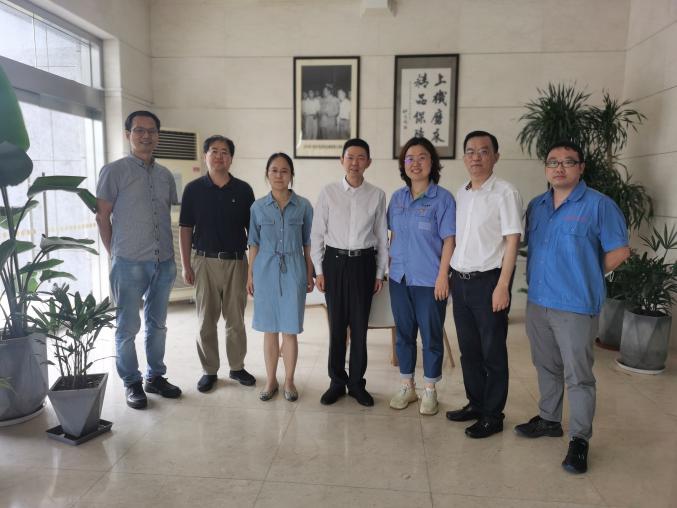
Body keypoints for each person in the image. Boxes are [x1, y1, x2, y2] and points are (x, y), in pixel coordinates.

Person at [515, 140, 629, 474]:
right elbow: (521, 243)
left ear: (581, 167)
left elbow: (620, 251)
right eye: (553, 162)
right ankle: (549, 419)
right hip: (538, 301)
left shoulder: (599, 205)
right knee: (546, 365)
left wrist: (587, 272)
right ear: (546, 169)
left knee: (578, 375)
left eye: (568, 162)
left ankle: (579, 439)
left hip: (576, 305)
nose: (559, 168)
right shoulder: (537, 206)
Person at [96, 110, 182, 409]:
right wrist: (114, 253)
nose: (146, 135)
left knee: (158, 325)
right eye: (139, 130)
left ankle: (155, 377)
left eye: (151, 131)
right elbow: (102, 216)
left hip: (164, 262)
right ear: (127, 134)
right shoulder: (113, 171)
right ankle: (131, 382)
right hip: (128, 262)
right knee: (127, 327)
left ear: (158, 136)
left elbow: (166, 215)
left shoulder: (165, 175)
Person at [445, 131, 523, 438]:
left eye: (483, 151)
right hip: (460, 281)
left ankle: (493, 415)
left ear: (495, 156)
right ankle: (476, 404)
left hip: (489, 281)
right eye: (470, 151)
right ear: (464, 157)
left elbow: (512, 240)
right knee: (469, 350)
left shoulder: (505, 192)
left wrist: (503, 285)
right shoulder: (462, 192)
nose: (476, 157)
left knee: (493, 352)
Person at [311, 138, 388, 407]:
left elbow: (382, 237)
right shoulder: (328, 192)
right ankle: (336, 381)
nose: (355, 163)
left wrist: (379, 273)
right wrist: (319, 271)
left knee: (359, 327)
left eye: (360, 157)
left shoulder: (377, 195)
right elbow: (317, 234)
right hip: (334, 263)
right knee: (336, 327)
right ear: (341, 160)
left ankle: (356, 383)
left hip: (363, 264)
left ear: (369, 162)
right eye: (350, 157)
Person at [178, 135, 256, 393]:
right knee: (205, 320)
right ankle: (209, 370)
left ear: (231, 158)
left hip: (236, 262)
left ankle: (237, 367)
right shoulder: (193, 189)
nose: (219, 156)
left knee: (236, 319)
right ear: (205, 156)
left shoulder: (243, 190)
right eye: (214, 151)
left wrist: (252, 270)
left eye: (225, 152)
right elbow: (186, 228)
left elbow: (253, 233)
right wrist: (186, 265)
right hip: (204, 261)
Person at [388, 136, 456, 416]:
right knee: (404, 335)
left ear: (432, 163)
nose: (415, 163)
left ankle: (430, 389)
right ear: (403, 165)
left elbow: (449, 240)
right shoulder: (397, 198)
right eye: (409, 158)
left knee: (431, 336)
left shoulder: (443, 199)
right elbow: (391, 235)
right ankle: (408, 386)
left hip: (430, 280)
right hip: (399, 278)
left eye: (422, 158)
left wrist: (443, 276)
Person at [247, 153, 314, 402]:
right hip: (265, 269)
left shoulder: (304, 206)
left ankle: (289, 381)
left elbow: (308, 243)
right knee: (269, 329)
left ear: (291, 175)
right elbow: (253, 243)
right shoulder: (257, 207)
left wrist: (309, 272)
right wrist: (250, 275)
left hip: (294, 268)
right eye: (274, 170)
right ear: (267, 174)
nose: (279, 175)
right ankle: (271, 380)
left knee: (290, 329)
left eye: (284, 171)